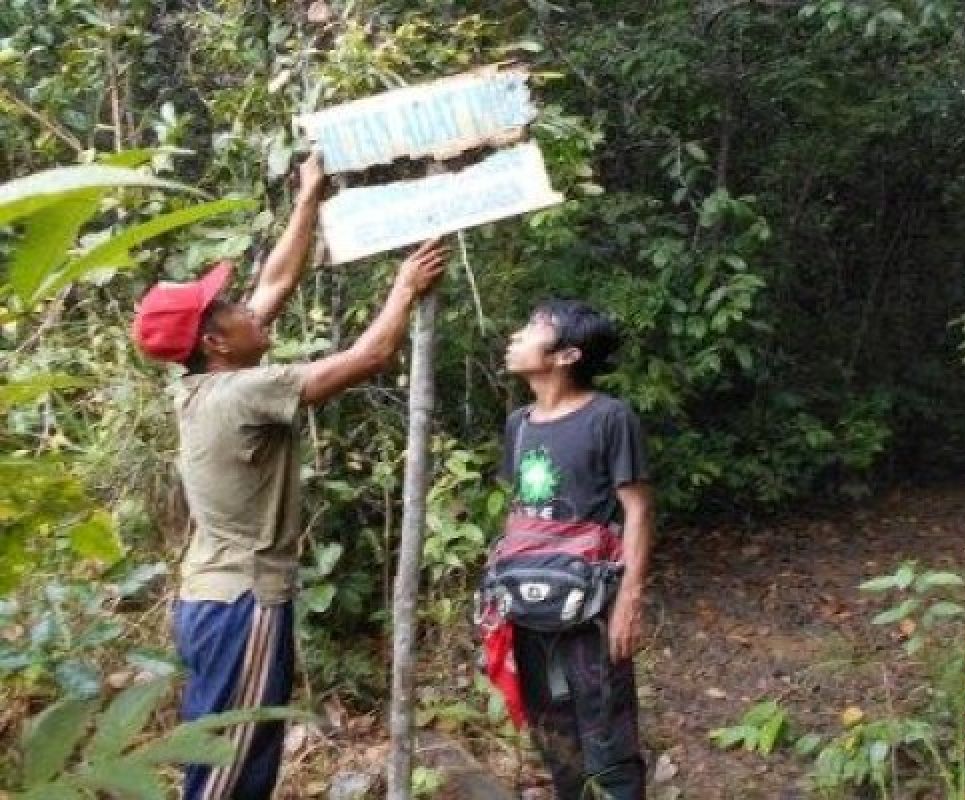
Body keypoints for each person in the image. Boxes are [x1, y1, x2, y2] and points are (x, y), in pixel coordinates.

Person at [130, 152, 446, 800]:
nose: (250, 308)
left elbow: (274, 284)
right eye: (231, 310)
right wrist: (405, 287)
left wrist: (307, 197)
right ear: (216, 343)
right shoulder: (244, 392)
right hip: (241, 604)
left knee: (237, 757)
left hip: (217, 598)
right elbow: (371, 355)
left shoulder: (202, 382)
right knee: (226, 769)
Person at [500, 299, 654, 799]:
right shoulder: (519, 423)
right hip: (528, 602)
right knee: (551, 725)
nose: (516, 336)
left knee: (606, 726)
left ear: (567, 355)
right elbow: (519, 511)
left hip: (592, 604)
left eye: (532, 328)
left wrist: (629, 599)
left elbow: (637, 509)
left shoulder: (610, 417)